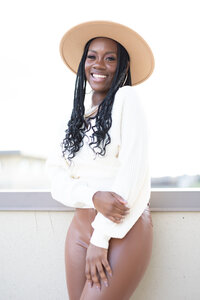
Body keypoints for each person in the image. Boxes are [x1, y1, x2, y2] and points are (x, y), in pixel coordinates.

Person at [46, 20, 155, 300]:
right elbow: (57, 179)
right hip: (80, 226)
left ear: (123, 66)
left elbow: (133, 175)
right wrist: (92, 195)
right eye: (92, 56)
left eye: (110, 58)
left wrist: (100, 238)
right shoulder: (76, 116)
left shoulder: (127, 100)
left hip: (122, 226)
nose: (99, 65)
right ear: (84, 62)